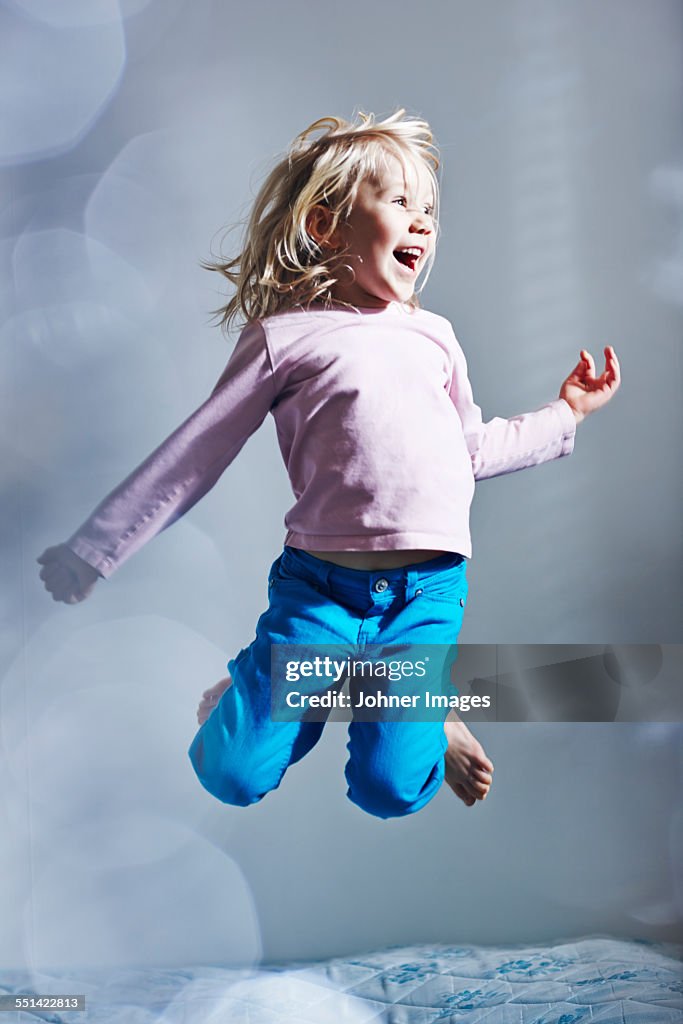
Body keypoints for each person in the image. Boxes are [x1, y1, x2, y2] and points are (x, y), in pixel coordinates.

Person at [37, 110, 620, 819]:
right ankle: (262, 684)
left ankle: (426, 702)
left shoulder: (434, 338)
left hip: (426, 597)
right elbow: (197, 452)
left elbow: (466, 453)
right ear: (325, 226)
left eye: (428, 209)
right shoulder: (284, 340)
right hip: (318, 597)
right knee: (231, 775)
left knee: (391, 792)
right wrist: (96, 550)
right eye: (399, 202)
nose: (422, 222)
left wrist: (567, 414)